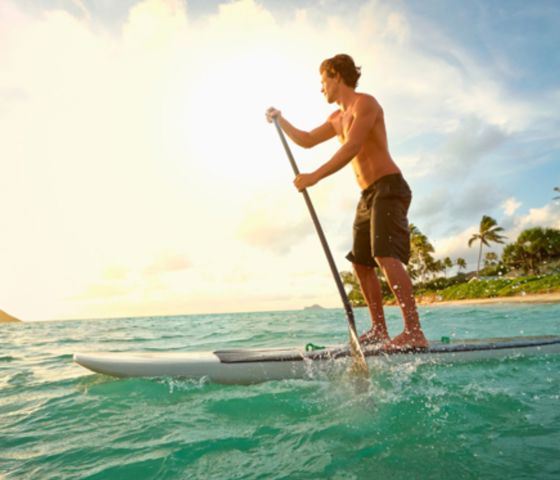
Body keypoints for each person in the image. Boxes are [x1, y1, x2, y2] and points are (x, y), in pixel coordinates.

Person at [265, 54, 428, 351]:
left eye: (323, 81)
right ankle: (379, 330)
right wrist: (280, 119)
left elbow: (353, 146)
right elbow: (306, 139)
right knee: (361, 265)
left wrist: (314, 176)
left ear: (336, 75)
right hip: (367, 195)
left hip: (389, 187)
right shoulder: (335, 118)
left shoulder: (365, 103)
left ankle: (414, 331)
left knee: (385, 256)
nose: (321, 88)